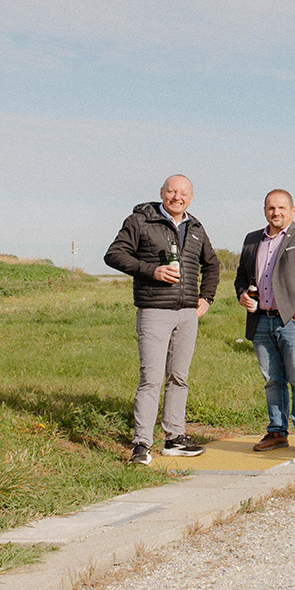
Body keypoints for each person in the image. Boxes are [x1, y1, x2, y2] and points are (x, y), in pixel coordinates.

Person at [103, 174, 221, 465]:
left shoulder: (195, 227)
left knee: (179, 378)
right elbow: (114, 255)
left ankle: (174, 438)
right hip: (154, 310)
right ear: (162, 193)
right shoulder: (140, 220)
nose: (177, 197)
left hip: (186, 313)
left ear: (190, 198)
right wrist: (151, 271)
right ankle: (141, 444)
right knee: (151, 379)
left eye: (183, 193)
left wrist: (206, 297)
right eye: (171, 192)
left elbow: (213, 265)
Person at [236, 190, 295, 454]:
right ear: (265, 210)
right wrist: (243, 294)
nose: (275, 212)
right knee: (272, 380)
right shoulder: (252, 239)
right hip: (261, 321)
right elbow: (241, 277)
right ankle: (277, 431)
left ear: (292, 210)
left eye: (281, 208)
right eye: (270, 208)